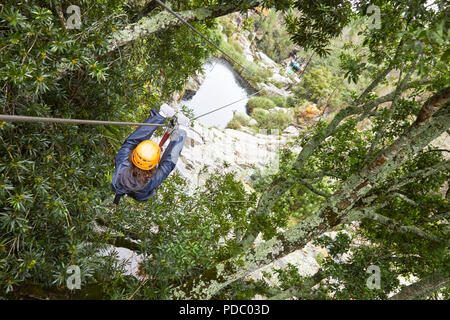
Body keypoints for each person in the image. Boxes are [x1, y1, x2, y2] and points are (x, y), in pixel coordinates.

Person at [111, 104, 189, 203]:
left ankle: (163, 114)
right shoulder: (151, 181)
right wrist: (181, 131)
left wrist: (160, 116)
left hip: (121, 183)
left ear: (135, 154)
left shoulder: (123, 161)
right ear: (154, 162)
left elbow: (133, 141)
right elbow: (169, 161)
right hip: (140, 193)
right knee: (142, 193)